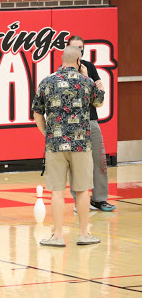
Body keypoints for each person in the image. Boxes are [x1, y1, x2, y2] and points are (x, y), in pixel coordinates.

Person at [32, 45, 105, 247]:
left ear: (62, 60)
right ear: (79, 61)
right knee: (82, 190)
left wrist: (47, 133)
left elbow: (37, 112)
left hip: (55, 145)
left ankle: (57, 236)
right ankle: (83, 234)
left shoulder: (47, 81)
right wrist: (87, 77)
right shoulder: (86, 81)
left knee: (57, 191)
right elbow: (99, 103)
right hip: (81, 144)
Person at [67, 35, 116, 212]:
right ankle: (78, 201)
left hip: (91, 120)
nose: (78, 51)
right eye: (74, 47)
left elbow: (99, 98)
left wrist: (88, 79)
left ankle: (99, 199)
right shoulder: (61, 71)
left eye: (81, 48)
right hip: (72, 124)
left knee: (99, 160)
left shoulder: (90, 67)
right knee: (77, 163)